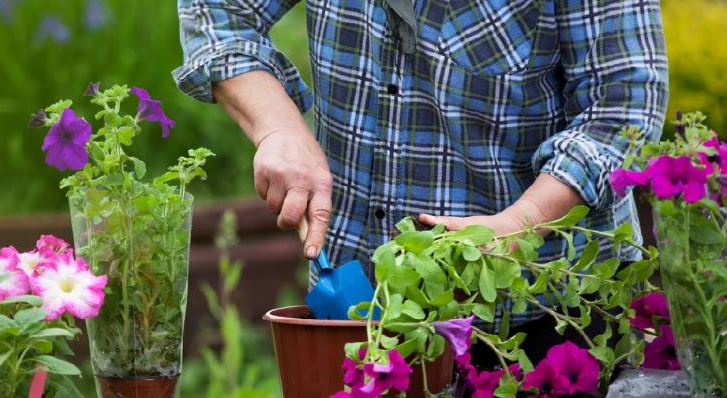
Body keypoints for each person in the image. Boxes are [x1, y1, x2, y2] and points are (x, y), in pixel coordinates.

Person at [174, 0, 668, 348]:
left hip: (547, 316)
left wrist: (523, 223)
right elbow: (217, 11)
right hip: (356, 309)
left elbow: (623, 107)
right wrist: (278, 127)